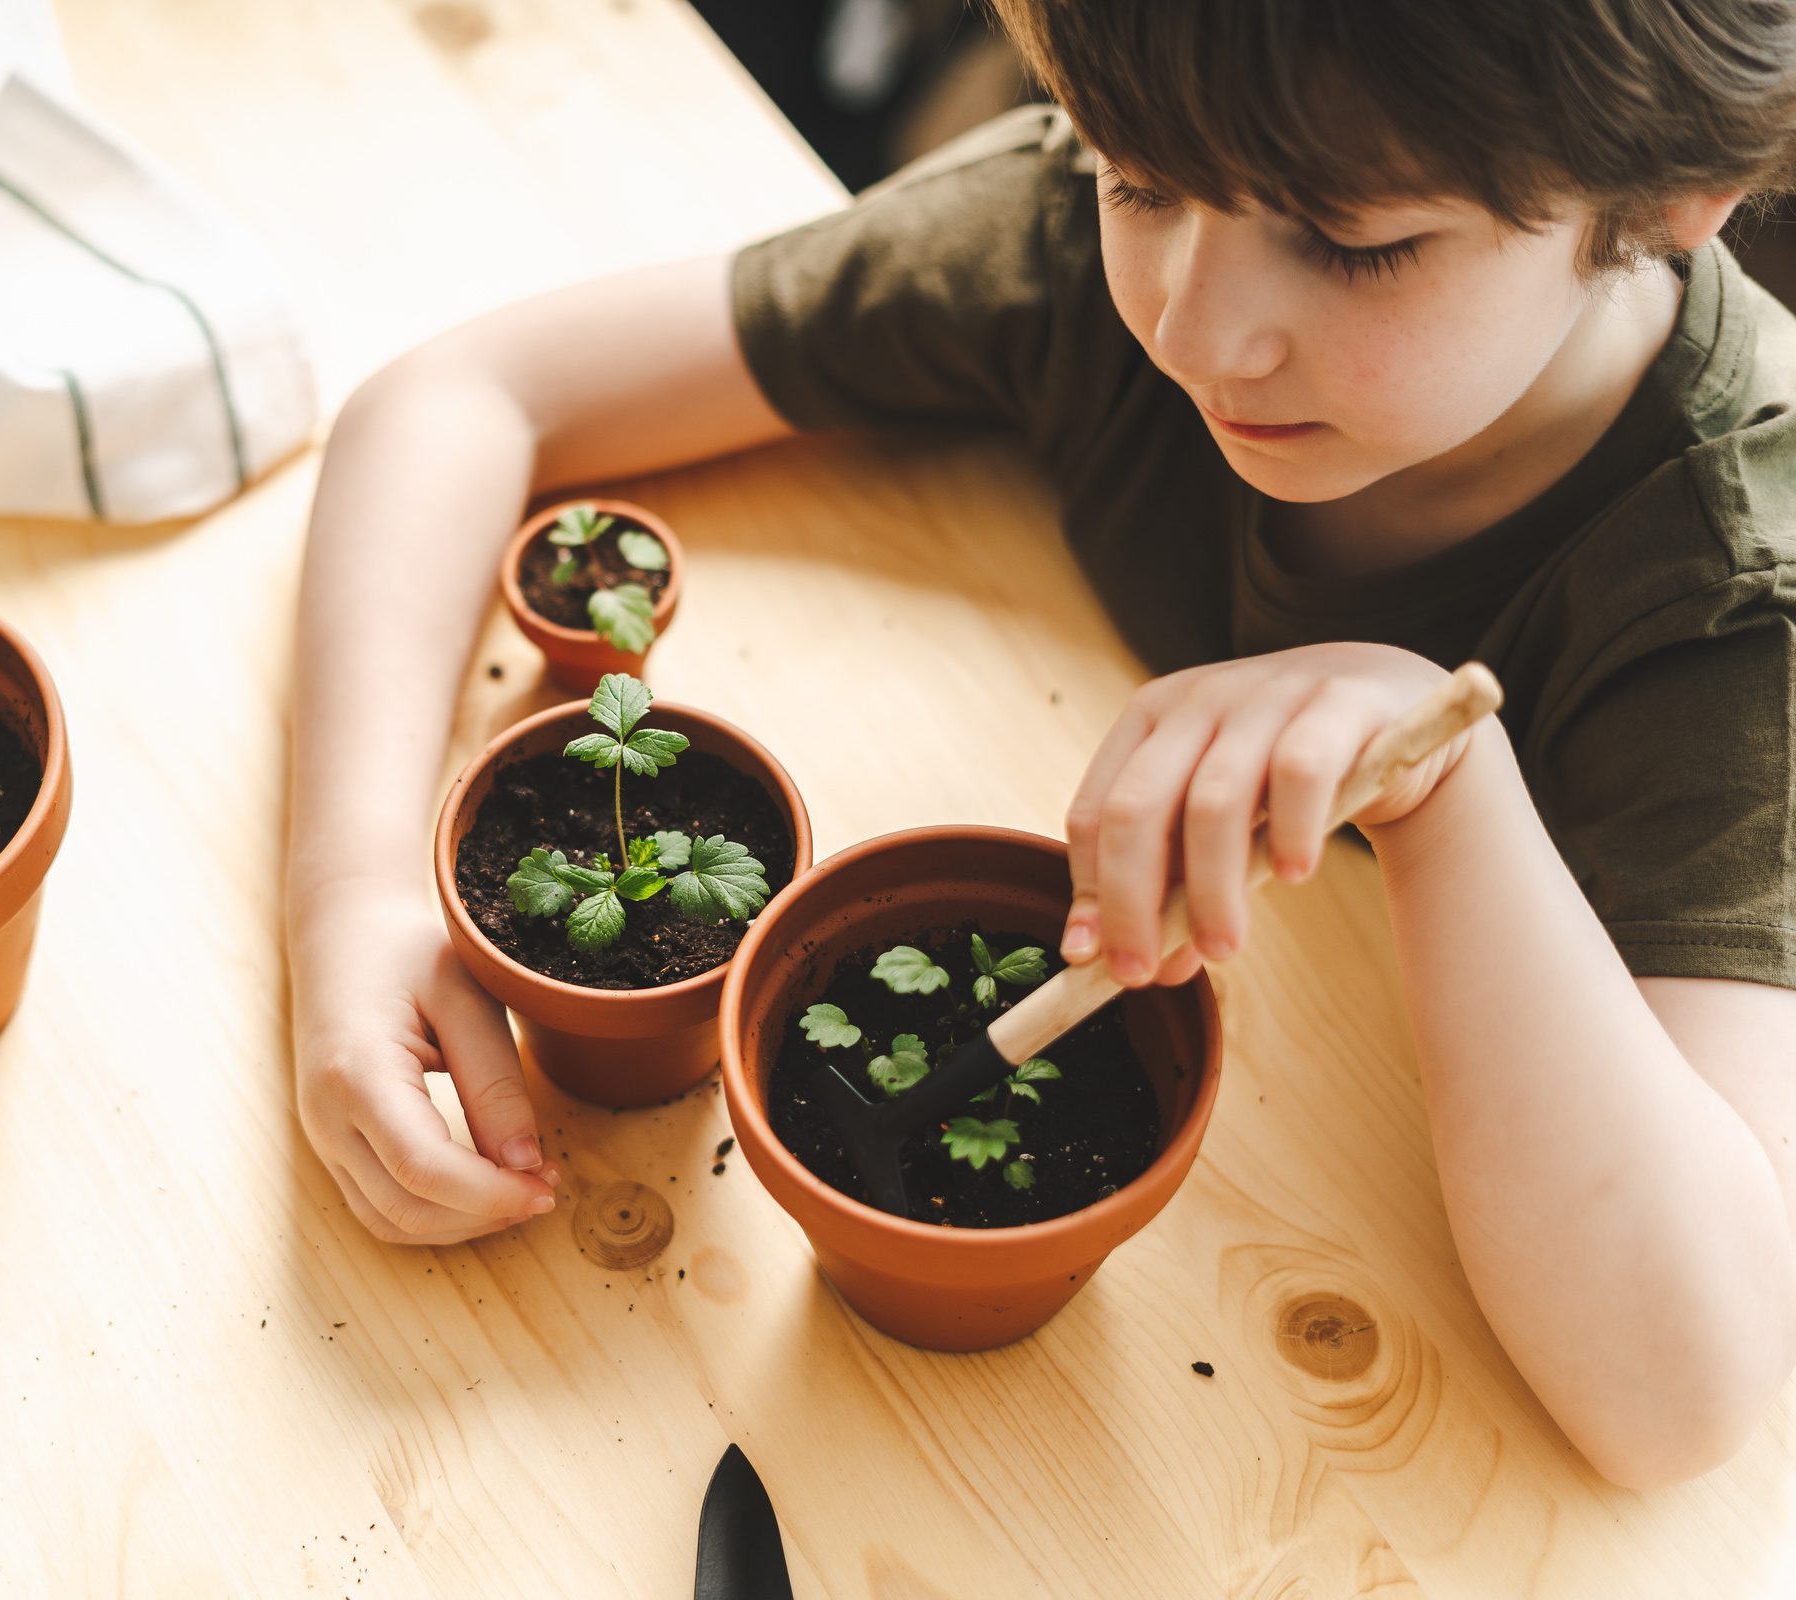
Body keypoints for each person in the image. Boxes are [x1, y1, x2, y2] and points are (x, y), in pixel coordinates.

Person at [284, 0, 1796, 1487]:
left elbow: (1675, 1396)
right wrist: (353, 890)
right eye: (1138, 180)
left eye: (1353, 242)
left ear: (1670, 193)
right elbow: (460, 397)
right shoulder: (1095, 222)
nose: (1197, 332)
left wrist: (1445, 776)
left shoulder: (1732, 587)